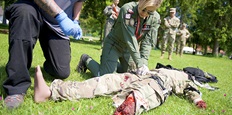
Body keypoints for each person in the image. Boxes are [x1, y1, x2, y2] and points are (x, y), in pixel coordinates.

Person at [3, 0, 94, 109]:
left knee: (61, 72)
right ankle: (16, 88)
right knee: (24, 14)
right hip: (32, 8)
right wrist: (61, 16)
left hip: (55, 25)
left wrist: (75, 21)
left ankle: (47, 65)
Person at [34, 65, 207, 115]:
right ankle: (50, 92)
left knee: (144, 93)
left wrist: (197, 99)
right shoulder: (173, 71)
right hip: (141, 76)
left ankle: (130, 104)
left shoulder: (184, 78)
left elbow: (191, 89)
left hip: (157, 82)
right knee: (105, 81)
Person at [76, 0, 163, 77]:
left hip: (129, 50)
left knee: (132, 75)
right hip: (114, 45)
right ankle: (86, 59)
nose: (145, 14)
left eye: (150, 12)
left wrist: (144, 62)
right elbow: (130, 37)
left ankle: (110, 64)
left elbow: (147, 42)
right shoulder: (128, 10)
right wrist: (139, 64)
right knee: (106, 77)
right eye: (143, 9)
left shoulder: (155, 19)